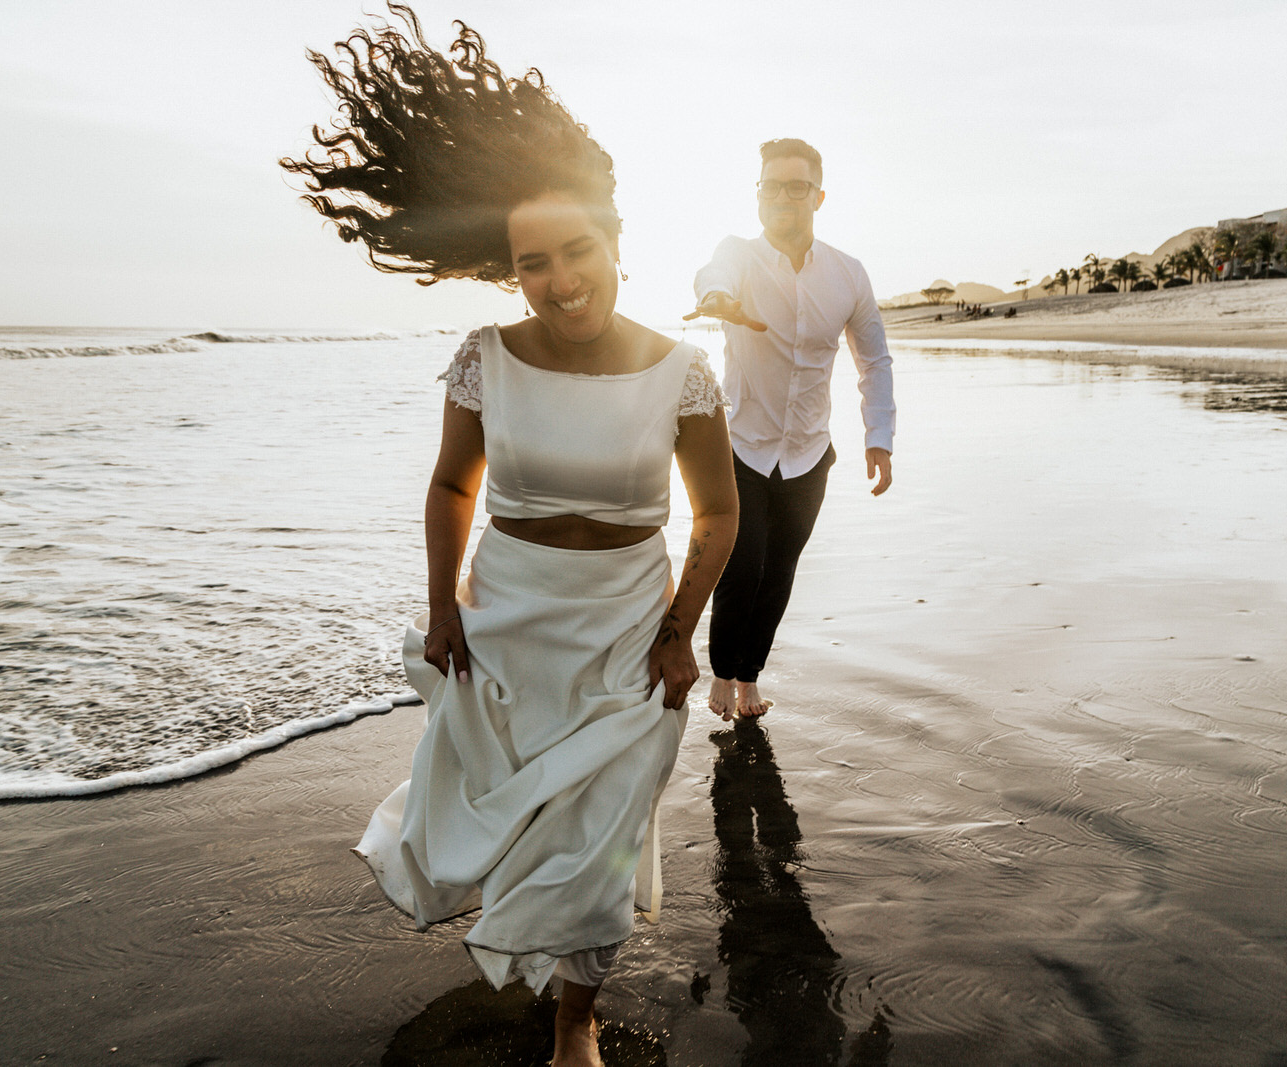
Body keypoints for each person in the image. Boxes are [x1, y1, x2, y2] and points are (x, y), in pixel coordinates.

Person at [280, 8, 738, 1065]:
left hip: (629, 627)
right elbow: (451, 482)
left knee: (604, 826)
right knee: (526, 820)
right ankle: (534, 946)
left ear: (618, 240)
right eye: (534, 261)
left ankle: (575, 1018)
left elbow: (716, 512)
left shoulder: (683, 372)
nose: (560, 277)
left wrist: (678, 631)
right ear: (511, 268)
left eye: (577, 250)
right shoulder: (485, 356)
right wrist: (445, 607)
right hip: (510, 620)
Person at [685, 138, 896, 722]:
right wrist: (715, 297)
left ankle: (750, 679)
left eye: (795, 186)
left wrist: (877, 435)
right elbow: (713, 274)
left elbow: (873, 359)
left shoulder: (848, 275)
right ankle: (723, 674)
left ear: (818, 196)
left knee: (779, 572)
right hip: (741, 445)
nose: (781, 196)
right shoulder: (738, 255)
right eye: (769, 185)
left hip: (809, 453)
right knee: (742, 562)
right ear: (757, 195)